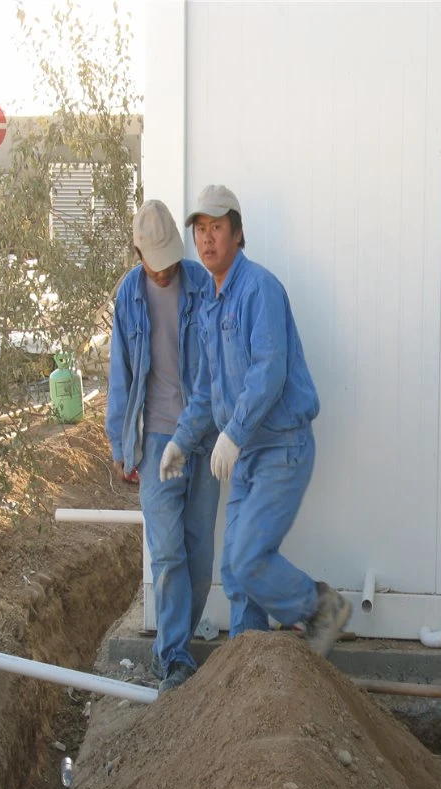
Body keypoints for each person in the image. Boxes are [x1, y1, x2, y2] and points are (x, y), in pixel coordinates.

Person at [159, 184, 350, 656]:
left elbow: (269, 370)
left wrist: (234, 434)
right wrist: (182, 440)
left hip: (280, 448)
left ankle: (321, 607)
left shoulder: (259, 289)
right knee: (236, 572)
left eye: (217, 229)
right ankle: (251, 664)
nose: (206, 240)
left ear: (238, 234)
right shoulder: (211, 303)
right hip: (245, 455)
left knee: (245, 559)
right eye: (200, 230)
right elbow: (205, 390)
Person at [105, 199, 220, 693]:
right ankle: (172, 656)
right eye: (158, 262)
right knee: (168, 551)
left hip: (204, 433)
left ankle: (181, 646)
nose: (168, 269)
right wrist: (119, 441)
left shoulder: (201, 284)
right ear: (139, 253)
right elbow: (120, 374)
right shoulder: (128, 295)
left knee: (198, 552)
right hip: (156, 440)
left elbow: (220, 361)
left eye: (173, 258)